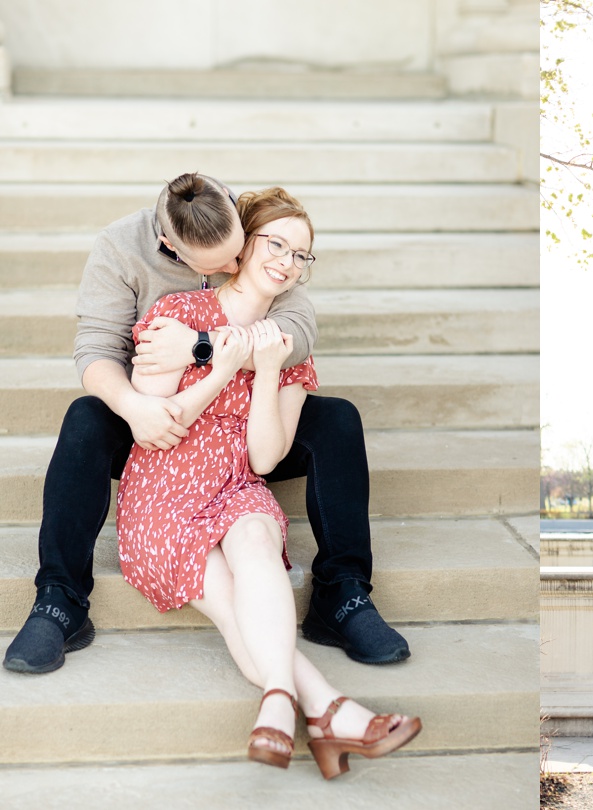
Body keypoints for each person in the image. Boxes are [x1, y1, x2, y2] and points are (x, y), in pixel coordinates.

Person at [4, 172, 407, 675]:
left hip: (243, 423)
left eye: (242, 250)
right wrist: (134, 408)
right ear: (170, 246)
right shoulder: (120, 249)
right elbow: (96, 349)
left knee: (339, 421)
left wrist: (200, 345)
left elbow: (296, 333)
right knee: (86, 418)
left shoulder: (259, 237)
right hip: (160, 420)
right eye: (222, 264)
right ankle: (59, 598)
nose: (238, 265)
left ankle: (341, 592)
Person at [118, 186, 420, 776]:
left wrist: (265, 369)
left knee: (257, 538)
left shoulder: (290, 348)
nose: (287, 260)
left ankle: (288, 706)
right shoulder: (177, 316)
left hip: (234, 484)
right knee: (233, 606)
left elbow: (263, 459)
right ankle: (325, 711)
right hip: (164, 491)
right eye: (275, 243)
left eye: (301, 254)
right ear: (243, 245)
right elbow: (156, 423)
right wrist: (221, 364)